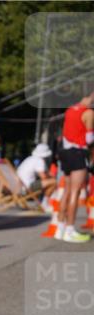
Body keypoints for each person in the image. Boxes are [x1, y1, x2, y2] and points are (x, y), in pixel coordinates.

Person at [56, 90, 93, 243]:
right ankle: (70, 230)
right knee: (75, 192)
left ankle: (60, 228)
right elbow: (89, 138)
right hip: (78, 152)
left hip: (65, 152)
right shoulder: (89, 113)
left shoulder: (70, 109)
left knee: (66, 191)